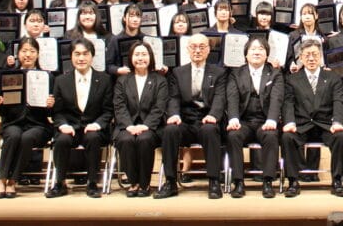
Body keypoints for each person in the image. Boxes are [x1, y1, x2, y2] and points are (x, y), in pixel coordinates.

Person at [157, 33, 227, 199]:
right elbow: (173, 98)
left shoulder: (219, 72)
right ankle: (170, 182)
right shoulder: (178, 72)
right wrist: (174, 115)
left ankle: (214, 181)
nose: (197, 50)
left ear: (208, 50)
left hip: (207, 119)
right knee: (170, 130)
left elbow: (220, 97)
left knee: (210, 130)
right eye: (193, 47)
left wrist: (213, 115)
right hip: (185, 121)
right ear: (187, 49)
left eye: (202, 47)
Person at [46, 38, 114, 198]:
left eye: (85, 54)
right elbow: (57, 111)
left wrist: (98, 124)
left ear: (92, 56)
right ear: (71, 56)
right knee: (62, 140)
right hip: (70, 127)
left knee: (93, 137)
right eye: (77, 54)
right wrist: (63, 125)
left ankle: (92, 183)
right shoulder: (61, 81)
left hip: (94, 128)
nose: (81, 58)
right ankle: (60, 183)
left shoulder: (104, 80)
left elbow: (108, 111)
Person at [281, 39, 343, 198]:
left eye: (315, 54)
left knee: (340, 137)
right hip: (302, 125)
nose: (311, 58)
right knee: (287, 137)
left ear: (321, 57)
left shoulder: (333, 77)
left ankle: (337, 181)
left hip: (325, 125)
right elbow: (288, 103)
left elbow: (339, 101)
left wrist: (337, 122)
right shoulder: (292, 79)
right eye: (307, 55)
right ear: (301, 58)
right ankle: (293, 181)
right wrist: (290, 122)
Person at [0, 36, 54, 198]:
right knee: (13, 135)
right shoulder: (9, 75)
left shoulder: (47, 77)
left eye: (32, 51)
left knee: (27, 137)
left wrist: (51, 105)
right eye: (24, 51)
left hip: (38, 125)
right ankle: (2, 179)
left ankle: (12, 180)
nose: (28, 55)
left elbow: (52, 113)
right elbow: (2, 111)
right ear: (18, 53)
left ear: (38, 54)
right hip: (13, 122)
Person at [225, 35, 284, 199]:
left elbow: (277, 97)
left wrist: (272, 119)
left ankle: (268, 181)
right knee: (233, 135)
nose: (257, 52)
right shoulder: (236, 73)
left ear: (267, 54)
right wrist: (233, 118)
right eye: (253, 49)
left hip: (265, 121)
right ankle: (238, 182)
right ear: (246, 54)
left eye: (261, 49)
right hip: (243, 121)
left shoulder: (275, 73)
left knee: (271, 136)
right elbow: (232, 96)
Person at [113, 40, 168, 197]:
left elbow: (159, 107)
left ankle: (144, 184)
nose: (140, 58)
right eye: (137, 54)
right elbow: (119, 106)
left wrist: (146, 126)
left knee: (145, 139)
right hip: (127, 125)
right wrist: (129, 126)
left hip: (151, 126)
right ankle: (133, 183)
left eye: (144, 54)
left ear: (150, 57)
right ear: (131, 58)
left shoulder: (160, 80)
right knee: (126, 140)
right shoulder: (122, 81)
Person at [66, 1, 119, 77]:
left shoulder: (108, 37)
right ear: (78, 17)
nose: (87, 17)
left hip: (102, 78)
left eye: (91, 13)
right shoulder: (69, 36)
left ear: (96, 16)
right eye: (84, 13)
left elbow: (110, 63)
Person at [287, 2, 323, 73]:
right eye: (304, 14)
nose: (307, 17)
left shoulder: (322, 36)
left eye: (310, 13)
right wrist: (292, 65)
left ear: (316, 16)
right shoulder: (293, 36)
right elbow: (289, 57)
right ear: (301, 17)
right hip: (300, 72)